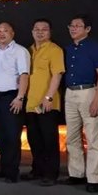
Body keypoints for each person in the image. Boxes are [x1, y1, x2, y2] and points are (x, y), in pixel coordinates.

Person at [64, 14, 98, 193]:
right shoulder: (68, 48)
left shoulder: (95, 47)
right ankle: (76, 174)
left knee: (93, 138)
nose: (73, 28)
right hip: (70, 93)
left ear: (87, 29)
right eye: (71, 26)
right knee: (72, 137)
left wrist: (97, 99)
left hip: (89, 92)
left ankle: (93, 179)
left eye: (78, 26)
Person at [24, 18, 65, 186]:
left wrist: (48, 97)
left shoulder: (55, 50)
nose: (40, 32)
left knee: (49, 139)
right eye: (37, 29)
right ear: (32, 31)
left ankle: (51, 173)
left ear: (50, 32)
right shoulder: (29, 50)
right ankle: (37, 169)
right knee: (34, 139)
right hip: (31, 103)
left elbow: (57, 75)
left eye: (44, 29)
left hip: (47, 103)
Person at [0, 22, 30, 183]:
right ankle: (4, 169)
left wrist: (20, 97)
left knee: (12, 136)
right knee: (1, 136)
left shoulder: (20, 51)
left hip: (12, 97)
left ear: (12, 33)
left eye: (5, 31)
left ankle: (12, 173)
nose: (1, 33)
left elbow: (24, 75)